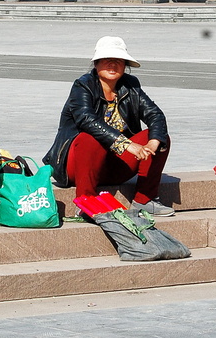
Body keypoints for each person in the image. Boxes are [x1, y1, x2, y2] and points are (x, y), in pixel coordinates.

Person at [44, 36, 174, 216]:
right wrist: (127, 145)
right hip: (78, 167)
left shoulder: (131, 85)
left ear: (125, 65)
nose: (113, 65)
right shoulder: (82, 86)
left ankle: (145, 199)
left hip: (116, 166)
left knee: (159, 137)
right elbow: (87, 120)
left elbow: (155, 115)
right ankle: (85, 202)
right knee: (89, 137)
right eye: (107, 60)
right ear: (96, 64)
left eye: (118, 61)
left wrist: (152, 144)